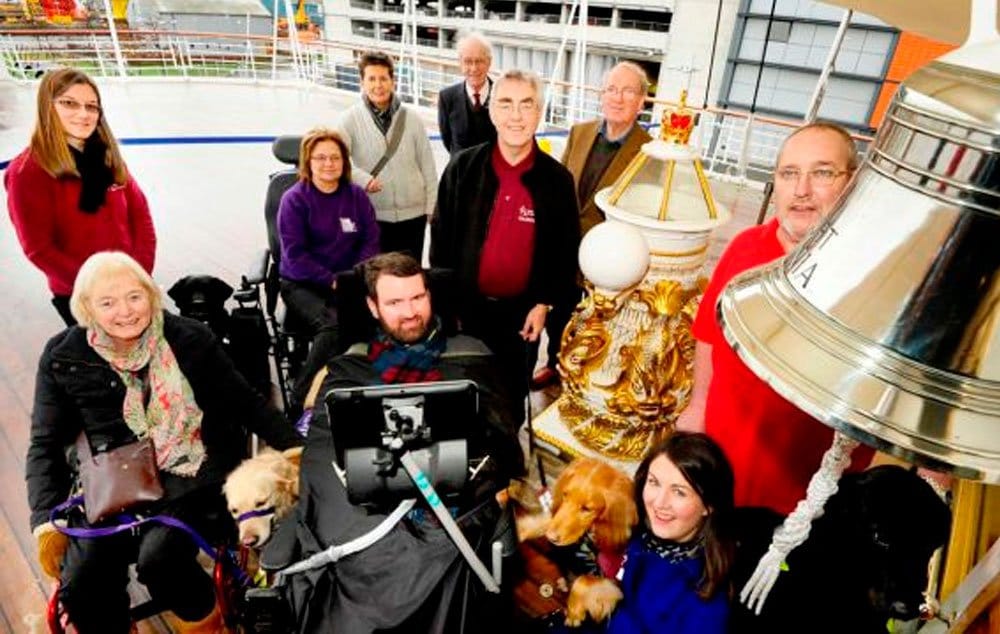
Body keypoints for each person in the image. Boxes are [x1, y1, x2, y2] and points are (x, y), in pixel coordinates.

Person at [26, 251, 302, 634]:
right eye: (107, 302)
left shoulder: (189, 338)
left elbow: (247, 404)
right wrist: (45, 521)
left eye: (134, 297)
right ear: (86, 307)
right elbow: (45, 444)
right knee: (82, 578)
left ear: (151, 295)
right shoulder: (63, 355)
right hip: (111, 483)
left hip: (192, 476)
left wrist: (297, 451)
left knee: (162, 560)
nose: (125, 311)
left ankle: (205, 620)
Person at [277, 252, 523, 632]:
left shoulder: (472, 356)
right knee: (363, 556)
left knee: (433, 556)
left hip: (451, 512)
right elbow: (321, 457)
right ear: (373, 307)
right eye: (395, 302)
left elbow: (503, 446)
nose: (410, 312)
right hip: (362, 516)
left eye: (418, 297)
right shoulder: (349, 368)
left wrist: (456, 474)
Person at [675, 122, 873, 514]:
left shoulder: (872, 272)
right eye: (789, 174)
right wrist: (698, 406)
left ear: (851, 183)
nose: (801, 190)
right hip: (723, 459)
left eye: (822, 173)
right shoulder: (745, 246)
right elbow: (709, 333)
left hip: (804, 485)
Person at [431, 69, 580, 404]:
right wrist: (446, 303)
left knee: (510, 401)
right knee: (459, 398)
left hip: (521, 318)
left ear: (539, 114)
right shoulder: (462, 168)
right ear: (492, 112)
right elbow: (440, 239)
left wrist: (543, 304)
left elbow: (564, 252)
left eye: (526, 105)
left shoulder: (558, 181)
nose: (516, 116)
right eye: (506, 104)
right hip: (465, 312)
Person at [532, 61, 653, 390]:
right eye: (612, 89)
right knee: (560, 315)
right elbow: (559, 188)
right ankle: (555, 364)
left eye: (628, 91)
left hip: (610, 259)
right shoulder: (579, 132)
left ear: (642, 101)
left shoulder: (648, 153)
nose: (618, 97)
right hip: (567, 247)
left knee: (599, 323)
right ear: (602, 94)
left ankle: (586, 377)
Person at [5, 67, 156, 327]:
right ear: (47, 107)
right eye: (69, 103)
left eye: (92, 106)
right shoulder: (27, 171)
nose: (83, 114)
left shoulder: (107, 156)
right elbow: (39, 248)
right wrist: (102, 289)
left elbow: (140, 217)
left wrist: (138, 275)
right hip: (82, 293)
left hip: (131, 285)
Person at [278, 127, 380, 414]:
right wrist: (332, 280)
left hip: (350, 280)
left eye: (335, 157)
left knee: (380, 317)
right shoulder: (294, 200)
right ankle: (301, 402)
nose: (328, 164)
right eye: (320, 157)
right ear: (307, 162)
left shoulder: (357, 197)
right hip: (303, 283)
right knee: (334, 326)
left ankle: (360, 392)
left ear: (344, 162)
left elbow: (370, 242)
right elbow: (295, 256)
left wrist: (353, 277)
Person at [605, 432, 734, 634]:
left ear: (708, 506)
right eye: (654, 482)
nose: (659, 502)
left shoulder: (706, 608)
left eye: (679, 492)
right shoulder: (638, 531)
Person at [336, 51, 437, 258]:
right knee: (378, 277)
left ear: (393, 81)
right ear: (362, 82)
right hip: (373, 214)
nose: (378, 85)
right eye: (371, 79)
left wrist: (432, 207)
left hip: (414, 215)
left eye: (383, 78)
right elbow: (339, 161)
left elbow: (428, 165)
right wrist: (363, 179)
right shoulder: (348, 120)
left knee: (409, 273)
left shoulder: (412, 119)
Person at [437, 32, 497, 154]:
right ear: (460, 63)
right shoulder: (447, 98)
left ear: (489, 62)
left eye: (479, 61)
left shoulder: (503, 96)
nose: (474, 68)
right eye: (468, 61)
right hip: (460, 171)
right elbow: (448, 141)